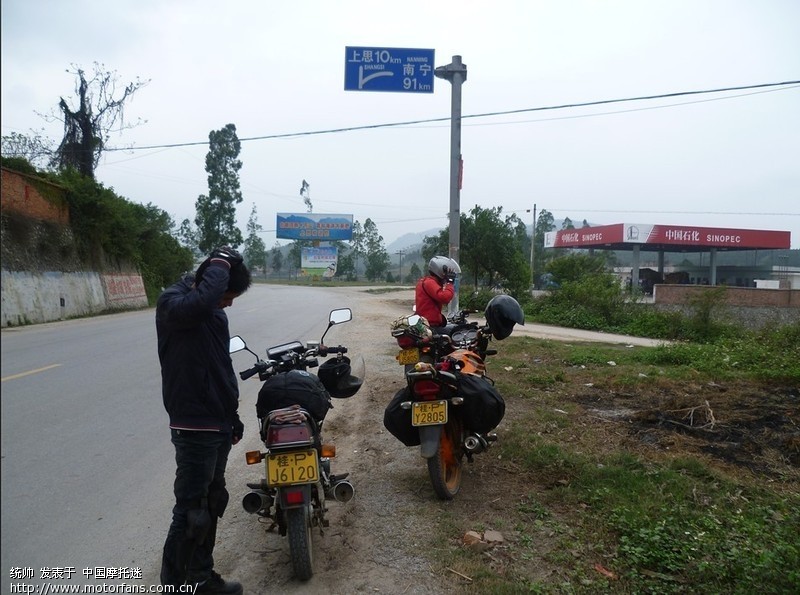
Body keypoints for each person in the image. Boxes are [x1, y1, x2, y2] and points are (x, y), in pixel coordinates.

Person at [157, 247, 252, 595]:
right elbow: (203, 300)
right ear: (211, 283)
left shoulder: (213, 314)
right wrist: (221, 262)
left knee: (211, 502)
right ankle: (177, 586)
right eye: (227, 296)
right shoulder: (175, 304)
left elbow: (221, 368)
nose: (228, 303)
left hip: (217, 422)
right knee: (191, 510)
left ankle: (200, 577)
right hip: (193, 422)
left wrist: (234, 417)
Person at [415, 255, 460, 327]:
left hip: (428, 323)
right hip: (430, 325)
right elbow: (444, 298)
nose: (449, 275)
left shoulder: (429, 282)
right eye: (448, 272)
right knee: (456, 330)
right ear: (441, 271)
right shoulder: (429, 282)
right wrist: (449, 283)